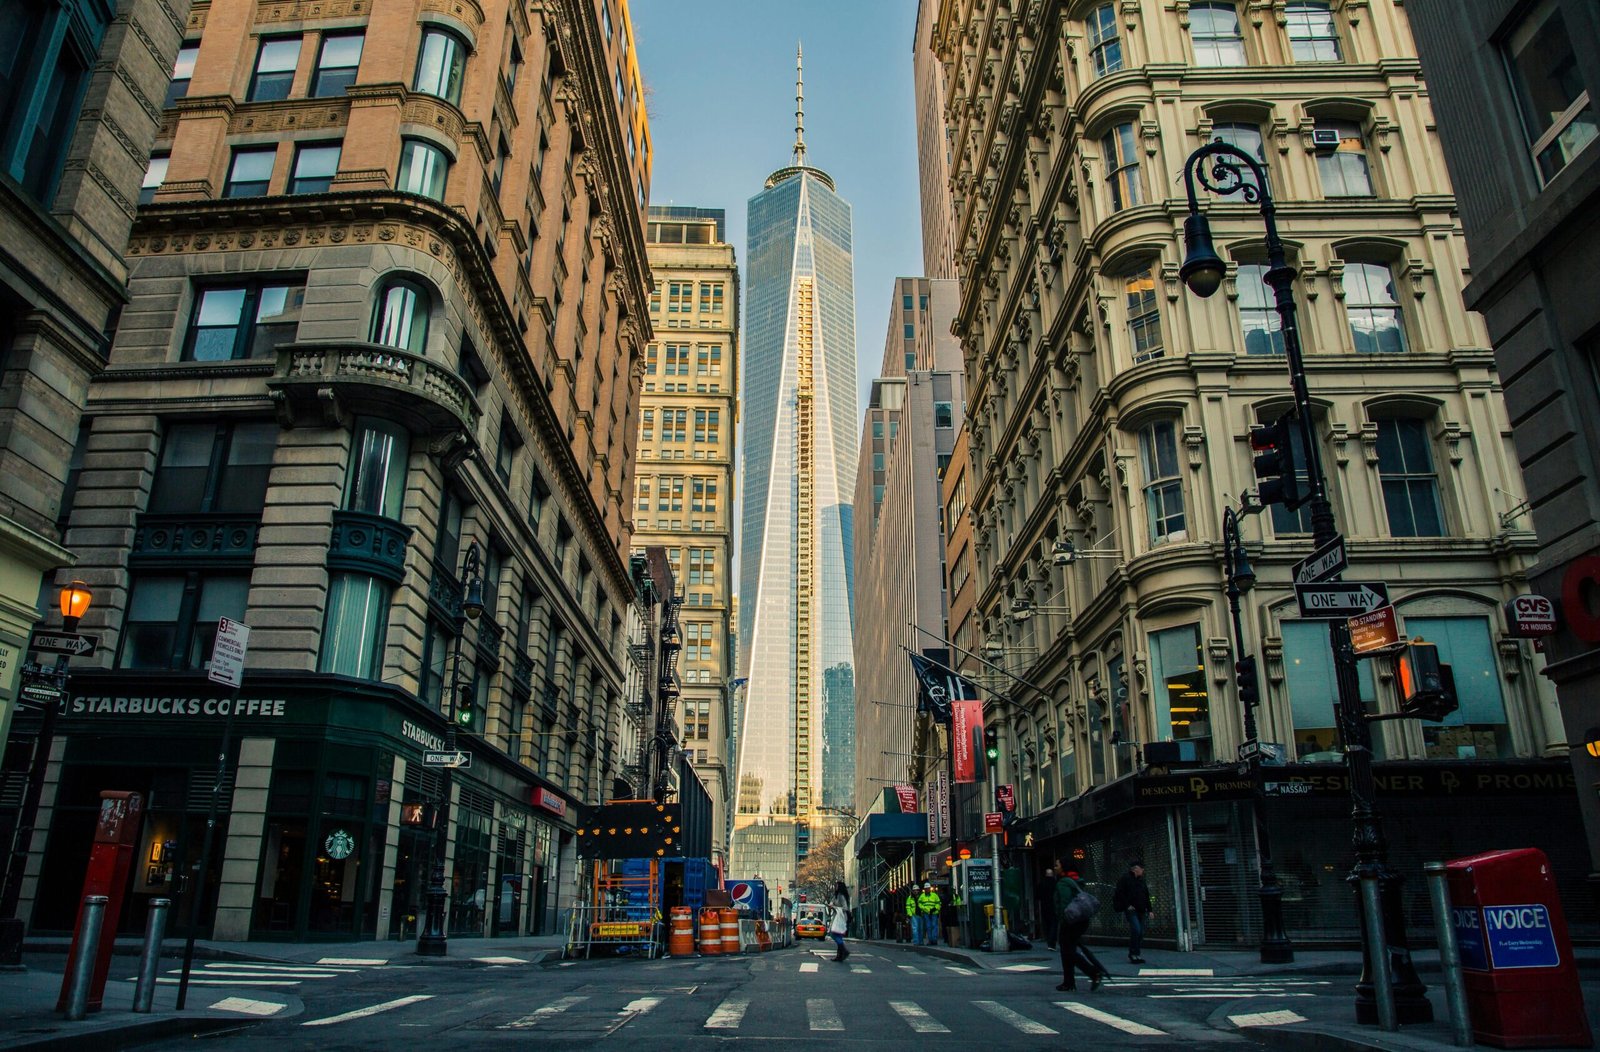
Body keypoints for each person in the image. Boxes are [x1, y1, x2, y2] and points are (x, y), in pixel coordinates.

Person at [1053, 862, 1109, 993]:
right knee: (1068, 950)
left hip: (1070, 921)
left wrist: (1062, 919)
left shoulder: (1063, 883)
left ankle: (1093, 973)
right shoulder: (1075, 880)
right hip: (1081, 920)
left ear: (1063, 868)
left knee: (1067, 951)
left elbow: (1064, 903)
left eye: (1057, 865)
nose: (1055, 867)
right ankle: (1069, 982)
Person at [1113, 859, 1152, 964]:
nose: (1142, 870)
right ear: (1135, 869)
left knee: (1140, 932)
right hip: (1131, 910)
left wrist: (1150, 909)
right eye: (1141, 868)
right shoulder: (1125, 879)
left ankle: (1136, 954)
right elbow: (1119, 893)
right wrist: (1127, 905)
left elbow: (1146, 895)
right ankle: (1133, 954)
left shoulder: (1141, 880)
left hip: (1141, 909)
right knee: (1136, 929)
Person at [1036, 864, 1059, 948]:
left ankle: (1049, 940)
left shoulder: (1042, 883)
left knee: (1047, 923)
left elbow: (1037, 896)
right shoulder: (1056, 883)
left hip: (1044, 906)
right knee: (1054, 923)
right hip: (1054, 906)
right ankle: (1052, 941)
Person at [828, 881, 851, 961]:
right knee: (837, 935)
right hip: (837, 917)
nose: (836, 887)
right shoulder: (836, 896)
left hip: (841, 918)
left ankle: (844, 951)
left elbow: (845, 908)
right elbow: (832, 901)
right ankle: (840, 955)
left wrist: (834, 907)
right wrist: (831, 905)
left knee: (833, 934)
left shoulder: (841, 896)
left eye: (837, 886)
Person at [918, 881, 942, 946]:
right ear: (924, 889)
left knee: (934, 926)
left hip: (934, 913)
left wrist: (935, 908)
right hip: (926, 913)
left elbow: (939, 903)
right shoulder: (922, 896)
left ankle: (934, 940)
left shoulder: (934, 895)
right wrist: (926, 909)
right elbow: (919, 904)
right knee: (928, 927)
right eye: (926, 888)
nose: (927, 889)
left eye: (928, 888)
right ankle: (930, 940)